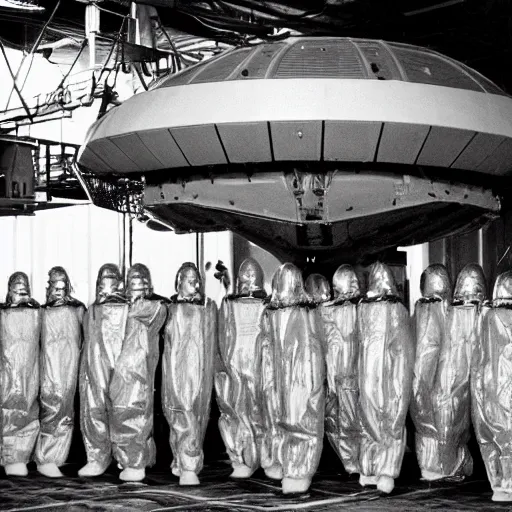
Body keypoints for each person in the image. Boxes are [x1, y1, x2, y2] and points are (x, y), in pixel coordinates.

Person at [79, 263, 167, 481]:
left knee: (130, 401)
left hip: (130, 357)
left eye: (141, 284)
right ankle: (97, 457)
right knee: (93, 400)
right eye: (101, 284)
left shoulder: (149, 310)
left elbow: (154, 315)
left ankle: (134, 460)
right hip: (102, 349)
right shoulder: (94, 310)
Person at [260, 263, 325, 494]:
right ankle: (281, 461)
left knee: (298, 416)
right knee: (275, 414)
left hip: (299, 379)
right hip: (277, 378)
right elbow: (266, 347)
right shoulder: (271, 313)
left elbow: (310, 353)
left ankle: (298, 470)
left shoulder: (306, 314)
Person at [358, 262, 414, 494]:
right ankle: (371, 467)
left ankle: (387, 470)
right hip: (369, 374)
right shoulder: (366, 309)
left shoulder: (397, 312)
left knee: (391, 415)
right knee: (369, 413)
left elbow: (401, 352)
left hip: (389, 374)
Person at [162, 262, 217, 485]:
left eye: (196, 279)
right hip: (173, 369)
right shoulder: (169, 307)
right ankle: (180, 459)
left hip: (198, 368)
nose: (193, 283)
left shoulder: (207, 306)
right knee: (175, 410)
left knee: (193, 412)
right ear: (179, 282)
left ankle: (189, 465)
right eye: (188, 278)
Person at [215, 258, 267, 478]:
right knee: (237, 413)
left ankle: (267, 458)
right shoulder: (229, 304)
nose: (248, 279)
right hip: (236, 366)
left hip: (261, 368)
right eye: (244, 276)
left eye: (251, 276)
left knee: (264, 412)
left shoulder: (267, 304)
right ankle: (242, 459)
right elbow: (222, 336)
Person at [36, 267, 85, 478]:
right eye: (54, 285)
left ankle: (53, 457)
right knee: (51, 405)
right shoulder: (42, 311)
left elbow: (88, 337)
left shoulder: (77, 309)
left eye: (62, 285)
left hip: (70, 367)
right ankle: (46, 457)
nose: (58, 290)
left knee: (64, 408)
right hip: (48, 367)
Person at [472, 270, 512, 502]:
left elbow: (478, 361)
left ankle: (500, 484)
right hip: (493, 393)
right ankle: (502, 484)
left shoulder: (487, 318)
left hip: (489, 395)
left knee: (494, 439)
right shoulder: (488, 319)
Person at [319, 264, 361, 476]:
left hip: (348, 377)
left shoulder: (359, 309)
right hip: (336, 377)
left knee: (350, 421)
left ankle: (354, 461)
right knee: (335, 421)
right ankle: (350, 460)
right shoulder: (328, 311)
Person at [0, 272, 41, 476]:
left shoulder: (36, 312)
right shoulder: (4, 312)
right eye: (16, 287)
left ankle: (15, 457)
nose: (20, 290)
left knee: (21, 399)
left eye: (23, 287)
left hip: (24, 373)